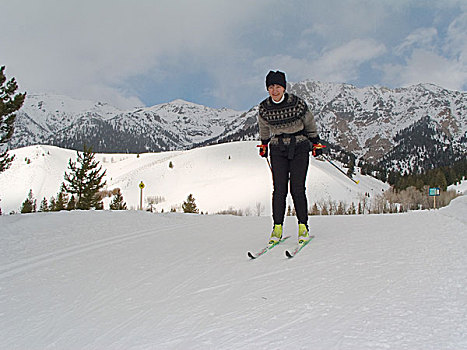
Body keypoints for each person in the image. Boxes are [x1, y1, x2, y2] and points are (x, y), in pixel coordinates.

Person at [257, 70, 324, 245]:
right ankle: (277, 228)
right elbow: (263, 127)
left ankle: (303, 226)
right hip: (277, 149)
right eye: (271, 87)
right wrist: (264, 144)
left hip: (299, 146)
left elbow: (309, 123)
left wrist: (315, 142)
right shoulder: (264, 108)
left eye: (278, 86)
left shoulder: (297, 103)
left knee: (297, 188)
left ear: (284, 87)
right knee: (279, 190)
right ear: (267, 89)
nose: (275, 90)